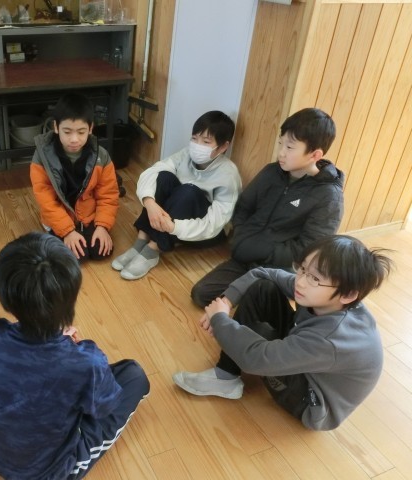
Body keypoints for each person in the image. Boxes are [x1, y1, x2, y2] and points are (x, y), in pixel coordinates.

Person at [0, 232, 150, 479]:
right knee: (135, 376)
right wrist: (78, 350)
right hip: (44, 473)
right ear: (70, 300)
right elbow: (104, 406)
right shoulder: (87, 361)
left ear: (6, 298)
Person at [174, 235, 392, 431]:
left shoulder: (331, 339)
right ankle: (226, 375)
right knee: (262, 287)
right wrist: (227, 300)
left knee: (259, 336)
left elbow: (257, 359)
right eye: (302, 269)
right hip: (308, 358)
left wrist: (220, 320)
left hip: (313, 403)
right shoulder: (325, 297)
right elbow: (263, 273)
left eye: (315, 278)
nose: (301, 282)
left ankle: (227, 375)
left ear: (348, 295)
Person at [191, 108, 344, 307]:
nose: (281, 153)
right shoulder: (271, 172)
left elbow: (309, 248)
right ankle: (251, 293)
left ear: (314, 154)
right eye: (281, 143)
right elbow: (244, 207)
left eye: (290, 147)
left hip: (279, 267)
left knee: (256, 305)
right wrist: (242, 236)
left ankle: (262, 294)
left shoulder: (328, 196)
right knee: (200, 294)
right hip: (245, 257)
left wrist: (262, 251)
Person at [112, 111, 241, 280]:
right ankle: (141, 241)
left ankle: (152, 250)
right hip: (176, 218)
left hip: (204, 233)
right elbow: (152, 172)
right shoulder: (186, 154)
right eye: (194, 138)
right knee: (163, 177)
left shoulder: (229, 175)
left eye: (206, 142)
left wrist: (174, 227)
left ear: (223, 147)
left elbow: (213, 225)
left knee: (189, 190)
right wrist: (150, 203)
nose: (197, 145)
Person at [30, 92, 120, 261]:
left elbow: (108, 195)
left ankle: (83, 231)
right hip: (58, 216)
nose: (74, 139)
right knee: (77, 257)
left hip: (88, 215)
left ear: (90, 129)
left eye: (81, 132)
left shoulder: (101, 156)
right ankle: (57, 234)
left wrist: (102, 226)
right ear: (56, 127)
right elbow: (46, 200)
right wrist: (68, 231)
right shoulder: (42, 157)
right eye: (67, 132)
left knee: (101, 251)